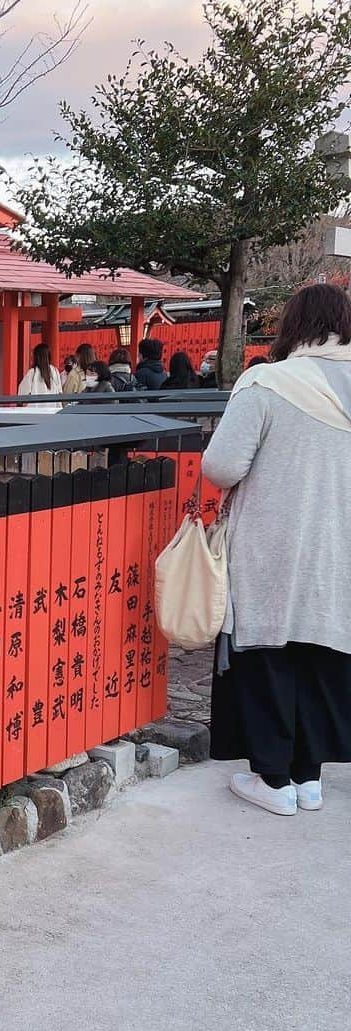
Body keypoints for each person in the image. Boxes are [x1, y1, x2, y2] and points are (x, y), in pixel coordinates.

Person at [203, 282, 351, 817]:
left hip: (275, 545)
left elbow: (221, 468)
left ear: (294, 326)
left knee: (272, 653)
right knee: (322, 653)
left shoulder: (266, 382)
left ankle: (272, 779)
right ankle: (308, 778)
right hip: (340, 553)